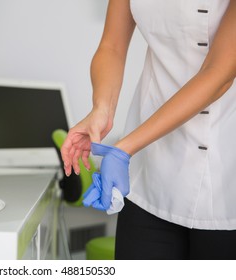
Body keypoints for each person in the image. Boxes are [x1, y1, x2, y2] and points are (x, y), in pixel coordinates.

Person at [61, 0, 236, 259]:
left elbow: (219, 73)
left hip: (225, 171)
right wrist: (101, 109)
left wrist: (125, 148)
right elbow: (112, 46)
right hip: (149, 174)